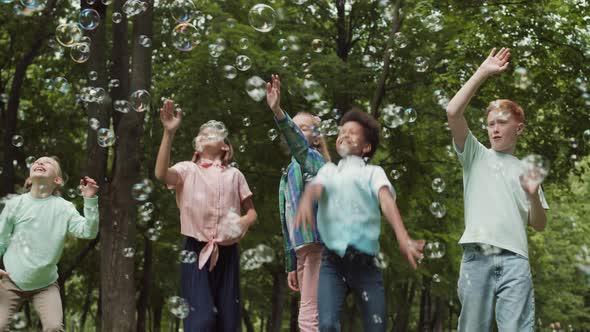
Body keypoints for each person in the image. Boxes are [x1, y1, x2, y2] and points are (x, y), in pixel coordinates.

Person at [446, 47, 549, 331]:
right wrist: (483, 72)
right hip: (476, 258)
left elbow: (539, 224)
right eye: (490, 124)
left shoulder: (527, 171)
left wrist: (532, 194)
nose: (494, 129)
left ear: (519, 128)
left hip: (515, 262)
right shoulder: (475, 155)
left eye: (502, 122)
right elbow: (453, 111)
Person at [296, 109, 424, 332]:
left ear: (366, 147)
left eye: (352, 133)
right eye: (342, 132)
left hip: (366, 264)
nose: (344, 135)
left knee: (377, 326)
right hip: (332, 262)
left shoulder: (373, 172)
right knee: (326, 324)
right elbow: (315, 188)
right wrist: (306, 201)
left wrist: (403, 237)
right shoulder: (329, 171)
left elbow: (386, 201)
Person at [154, 99, 257, 331]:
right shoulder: (187, 170)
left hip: (228, 254)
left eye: (213, 132)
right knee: (201, 322)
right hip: (195, 250)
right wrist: (168, 133)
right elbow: (161, 173)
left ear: (225, 147)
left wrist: (245, 221)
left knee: (228, 324)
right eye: (202, 133)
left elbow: (252, 211)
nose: (206, 133)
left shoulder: (235, 175)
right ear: (196, 147)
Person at [0, 156, 99, 332]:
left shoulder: (64, 208)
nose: (40, 163)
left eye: (48, 163)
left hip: (46, 284)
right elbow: (1, 238)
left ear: (57, 180)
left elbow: (88, 232)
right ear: (29, 179)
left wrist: (90, 201)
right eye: (37, 162)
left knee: (54, 327)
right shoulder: (15, 204)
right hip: (11, 280)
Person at [267, 74, 331, 331]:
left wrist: (277, 111)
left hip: (317, 244)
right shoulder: (287, 175)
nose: (296, 130)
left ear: (316, 138)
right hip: (302, 248)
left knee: (309, 310)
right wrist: (290, 263)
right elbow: (286, 224)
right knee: (311, 307)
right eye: (294, 126)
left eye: (302, 127)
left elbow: (300, 148)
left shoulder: (315, 161)